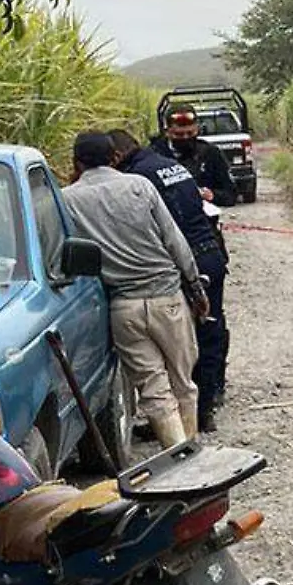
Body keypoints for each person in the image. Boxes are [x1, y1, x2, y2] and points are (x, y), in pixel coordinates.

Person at [58, 131, 207, 448]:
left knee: (153, 389)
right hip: (167, 298)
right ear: (115, 157)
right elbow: (174, 241)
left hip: (123, 308)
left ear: (77, 162)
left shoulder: (67, 199)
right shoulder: (140, 186)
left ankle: (178, 455)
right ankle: (193, 453)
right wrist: (195, 287)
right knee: (183, 383)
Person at [110, 129, 230, 432]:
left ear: (116, 156)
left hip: (189, 256)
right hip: (210, 250)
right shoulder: (164, 164)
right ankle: (206, 405)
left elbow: (163, 231)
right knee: (209, 329)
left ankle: (194, 416)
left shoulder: (138, 179)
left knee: (186, 341)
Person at [151, 103, 238, 208]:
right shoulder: (154, 155)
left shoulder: (210, 153)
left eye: (190, 133)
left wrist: (212, 196)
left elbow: (231, 195)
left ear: (197, 129)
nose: (185, 138)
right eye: (179, 134)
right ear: (167, 132)